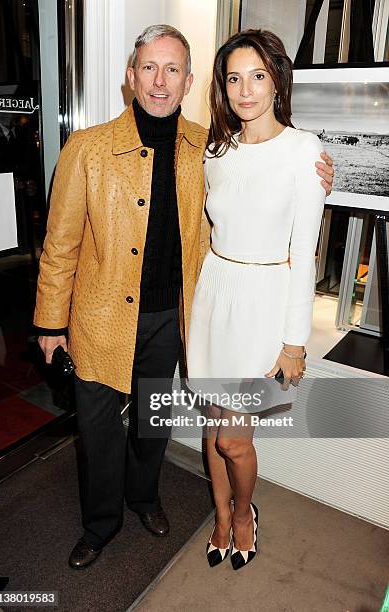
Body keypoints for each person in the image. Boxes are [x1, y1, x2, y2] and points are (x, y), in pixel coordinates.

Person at [33, 24, 334, 570]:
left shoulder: (206, 147)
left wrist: (322, 175)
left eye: (173, 69)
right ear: (131, 75)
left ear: (190, 81)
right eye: (149, 67)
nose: (160, 80)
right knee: (99, 431)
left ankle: (145, 499)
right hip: (100, 318)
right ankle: (101, 525)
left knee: (153, 423)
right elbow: (59, 246)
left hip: (174, 318)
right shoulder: (87, 148)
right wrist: (51, 323)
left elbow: (262, 188)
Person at [187, 29, 328, 570]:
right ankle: (220, 519)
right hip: (215, 298)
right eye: (234, 78)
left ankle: (244, 513)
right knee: (213, 426)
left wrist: (295, 342)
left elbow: (305, 254)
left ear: (277, 81)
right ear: (224, 87)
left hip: (265, 303)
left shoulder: (304, 151)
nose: (246, 90)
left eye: (258, 76)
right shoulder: (216, 150)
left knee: (232, 440)